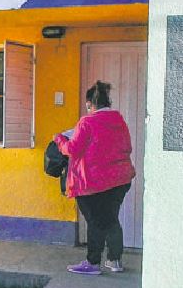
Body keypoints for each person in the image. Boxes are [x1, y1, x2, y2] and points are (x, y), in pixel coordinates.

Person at [54, 81, 135, 275]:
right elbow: (126, 147)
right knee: (110, 219)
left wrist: (59, 139)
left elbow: (72, 149)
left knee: (95, 221)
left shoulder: (87, 122)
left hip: (94, 182)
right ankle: (115, 261)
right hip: (120, 179)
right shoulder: (119, 120)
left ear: (90, 104)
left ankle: (92, 263)